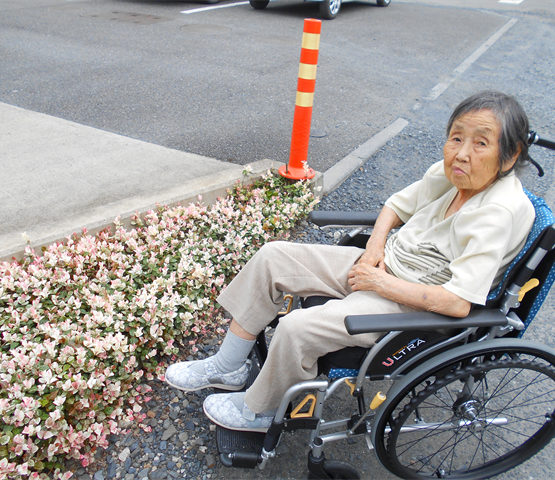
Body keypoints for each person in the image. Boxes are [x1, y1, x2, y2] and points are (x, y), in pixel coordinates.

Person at [165, 90, 536, 433]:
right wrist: (374, 250)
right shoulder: (454, 173)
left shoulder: (496, 213)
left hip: (409, 302)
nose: (462, 153)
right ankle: (228, 367)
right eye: (456, 137)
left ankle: (262, 410)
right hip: (381, 265)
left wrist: (379, 283)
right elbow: (395, 206)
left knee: (297, 328)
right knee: (272, 257)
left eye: (481, 143)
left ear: (512, 154)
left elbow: (458, 302)